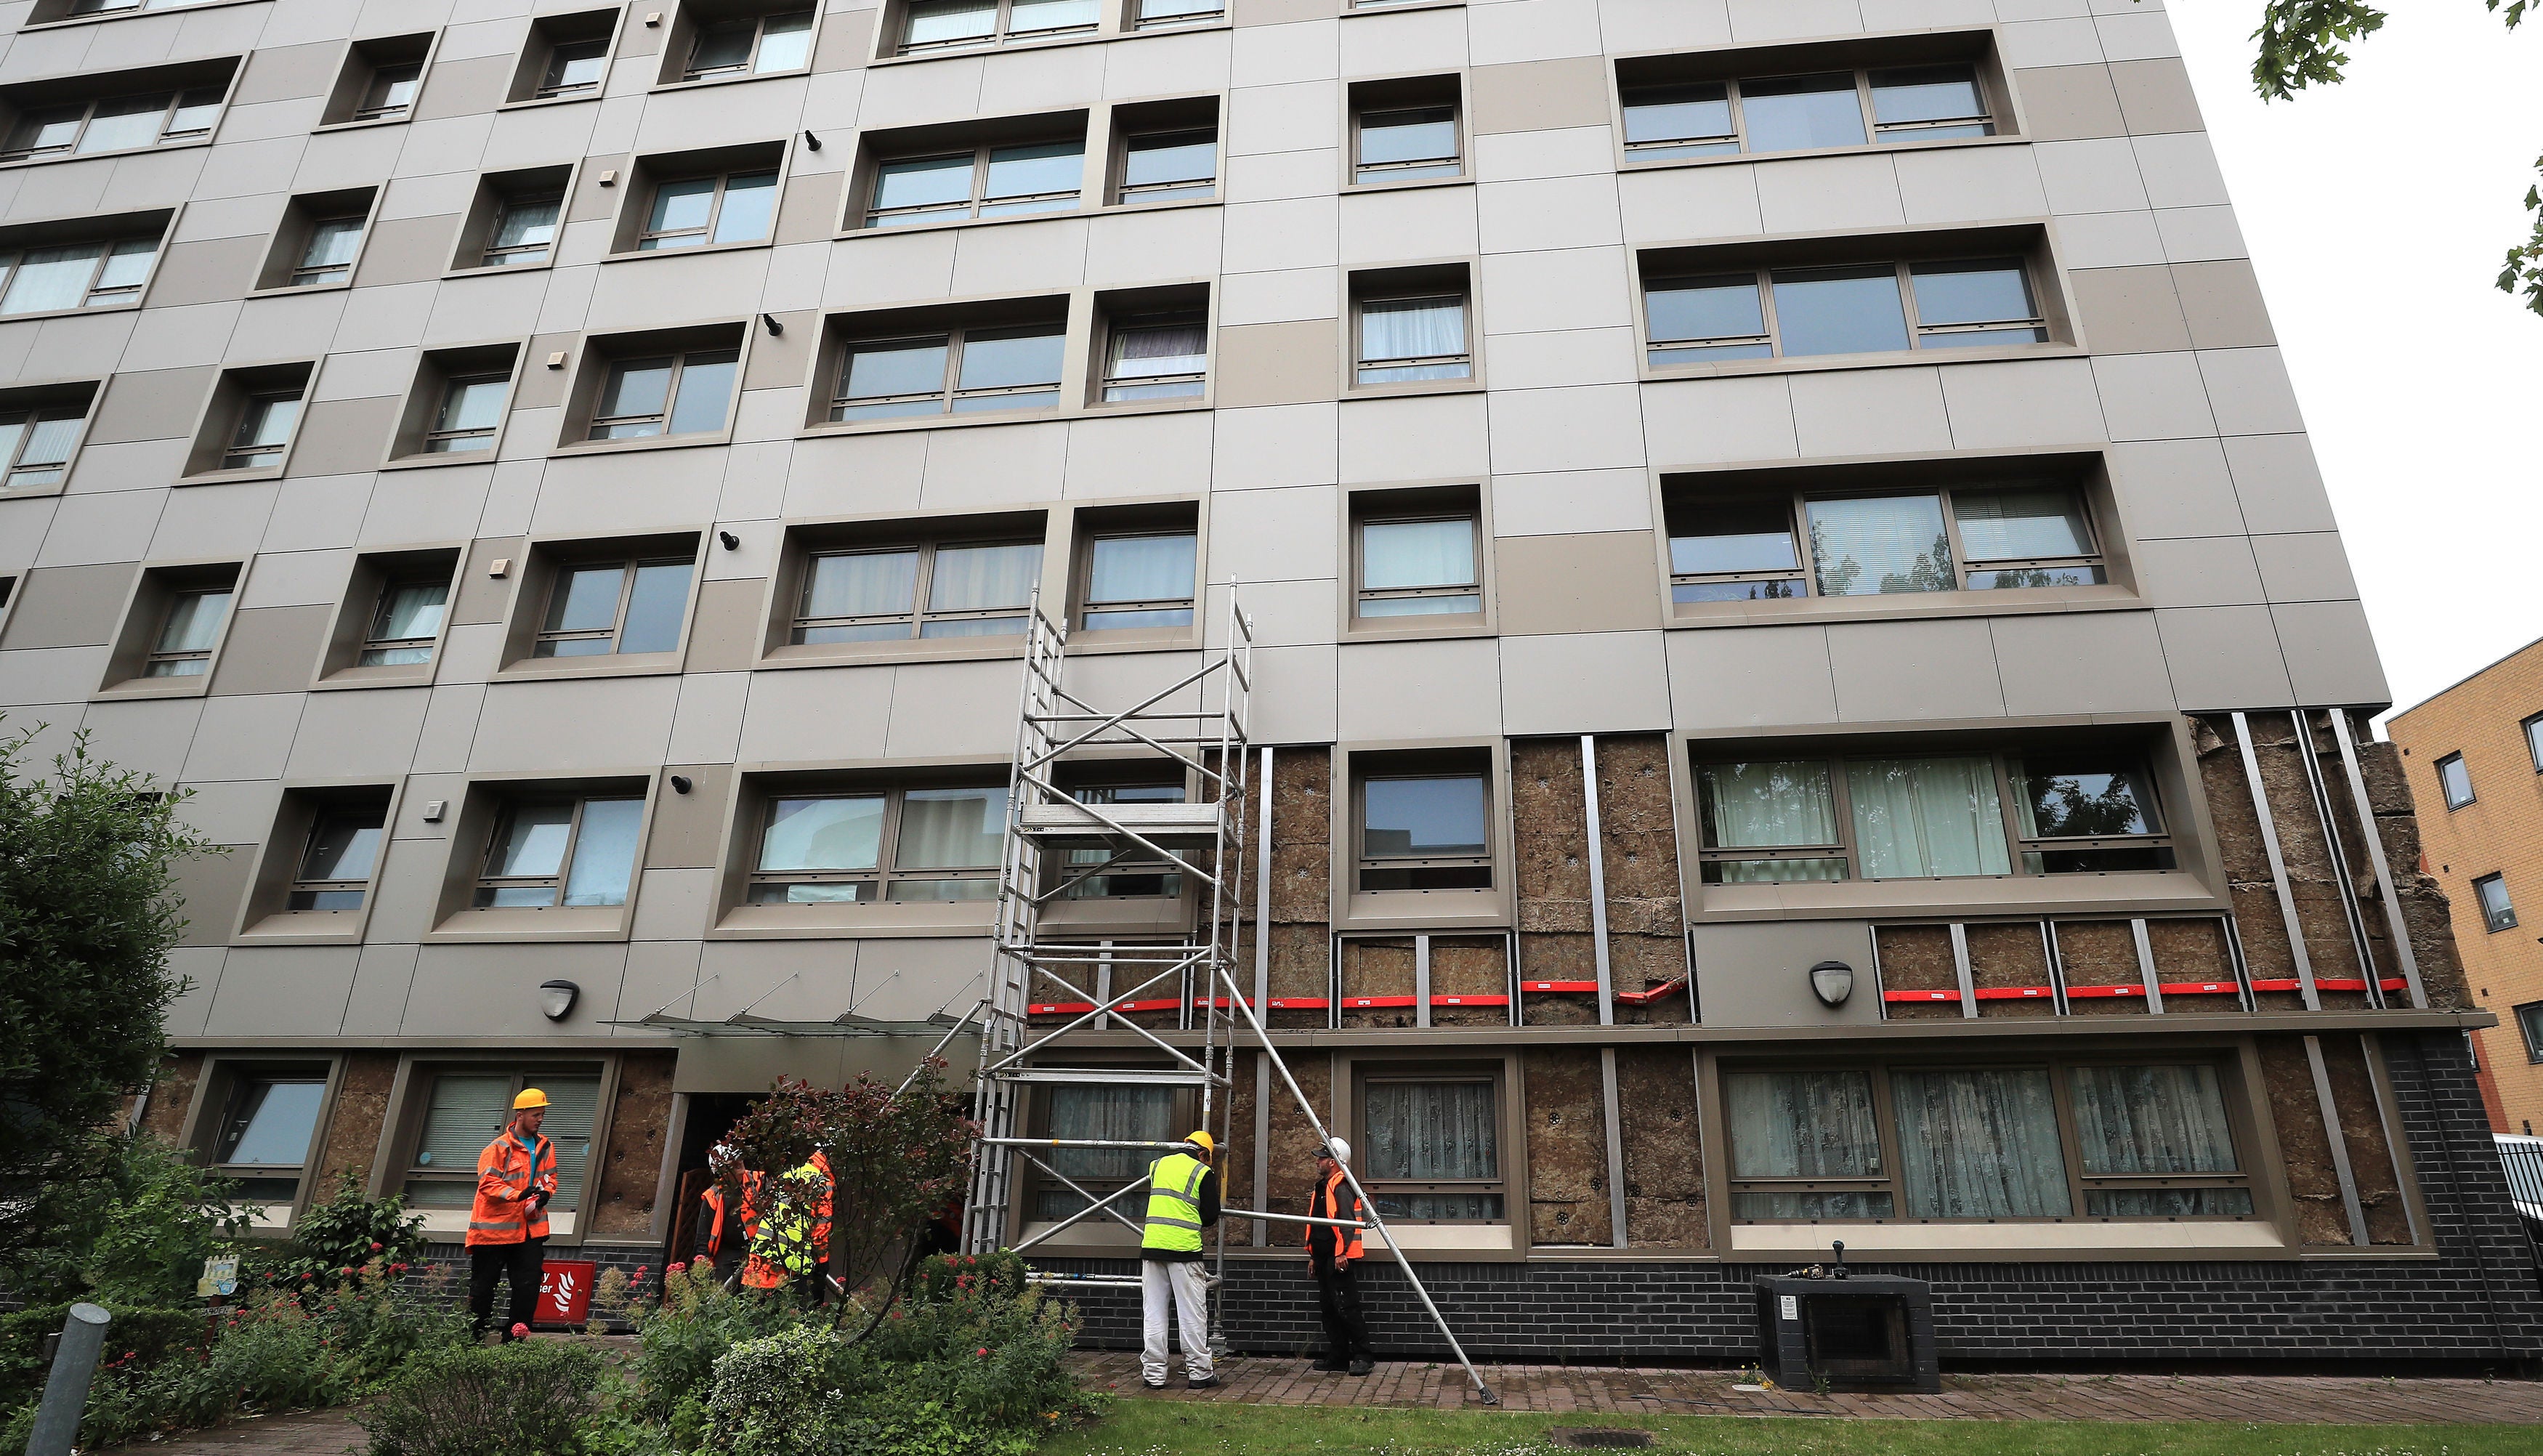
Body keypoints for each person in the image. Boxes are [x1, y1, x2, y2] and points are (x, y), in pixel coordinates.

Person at [468, 1088, 558, 1342]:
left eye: (542, 1114)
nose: (540, 1119)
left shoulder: (545, 1146)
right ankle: (473, 1341)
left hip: (530, 1229)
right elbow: (487, 1184)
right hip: (493, 1232)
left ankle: (514, 1344)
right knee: (484, 1290)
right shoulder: (498, 1148)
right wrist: (519, 1195)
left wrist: (546, 1194)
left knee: (528, 1288)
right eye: (535, 1115)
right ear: (520, 1115)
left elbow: (551, 1178)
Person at [1139, 1129, 1221, 1391]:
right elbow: (1210, 1216)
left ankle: (1153, 1375)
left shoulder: (1157, 1165)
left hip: (1152, 1248)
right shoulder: (1202, 1172)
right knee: (1192, 1315)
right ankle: (1199, 1373)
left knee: (1154, 1314)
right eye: (1207, 1159)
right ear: (1203, 1154)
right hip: (1184, 1252)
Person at [1306, 1138, 1374, 1377]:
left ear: (1334, 1162)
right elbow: (1318, 1224)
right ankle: (1339, 1356)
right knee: (1329, 1309)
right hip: (1325, 1257)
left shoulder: (1341, 1186)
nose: (1318, 1161)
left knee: (1347, 1308)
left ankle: (1363, 1356)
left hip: (1338, 1258)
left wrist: (1342, 1252)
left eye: (1322, 1158)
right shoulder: (1323, 1187)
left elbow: (1347, 1222)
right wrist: (1314, 1255)